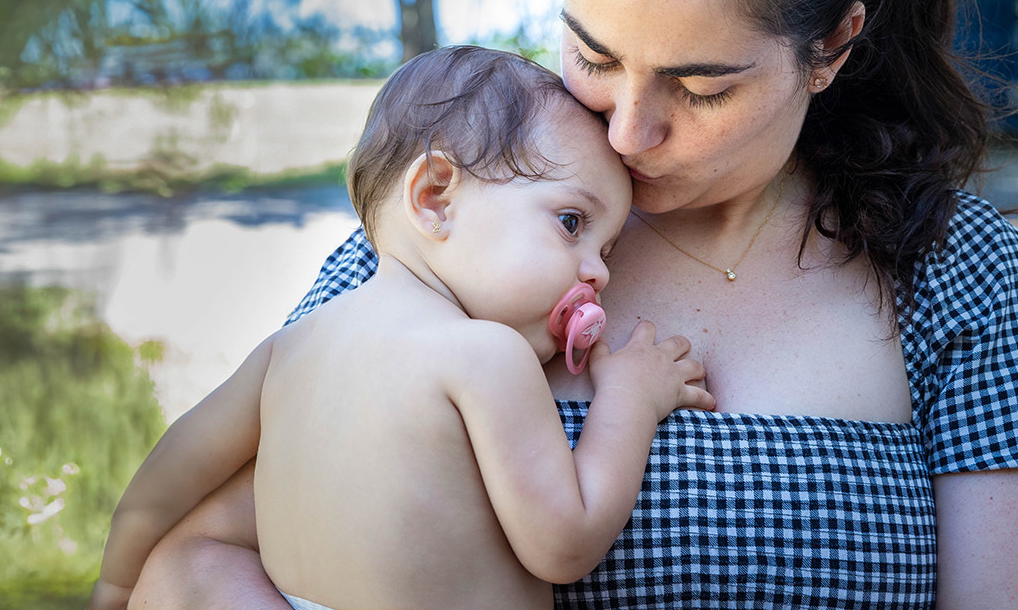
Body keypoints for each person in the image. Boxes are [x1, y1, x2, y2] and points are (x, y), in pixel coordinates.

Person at [132, 0, 1018, 607]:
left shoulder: (954, 270)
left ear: (831, 44)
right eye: (592, 56)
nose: (627, 130)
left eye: (701, 87)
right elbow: (199, 559)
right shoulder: (458, 233)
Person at [90, 46, 715, 610]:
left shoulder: (287, 349)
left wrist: (117, 584)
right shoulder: (484, 354)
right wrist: (630, 400)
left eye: (606, 252)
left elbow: (170, 472)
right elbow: (566, 543)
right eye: (572, 223)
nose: (598, 273)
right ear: (435, 197)